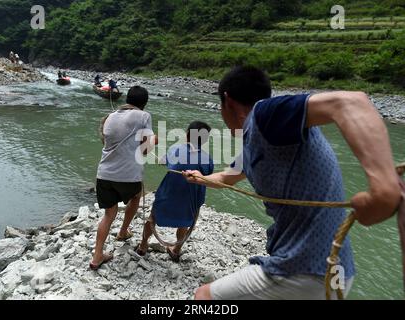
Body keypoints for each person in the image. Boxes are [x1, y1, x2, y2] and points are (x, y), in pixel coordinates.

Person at [183, 66, 401, 300]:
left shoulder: (264, 115)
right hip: (336, 272)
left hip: (303, 268)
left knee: (204, 296)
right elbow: (227, 177)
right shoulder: (256, 141)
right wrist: (200, 177)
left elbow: (351, 103)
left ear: (227, 100)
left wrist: (384, 188)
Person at [90, 86, 157, 270]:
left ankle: (97, 256)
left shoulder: (110, 116)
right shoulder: (144, 116)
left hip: (104, 174)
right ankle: (122, 231)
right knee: (135, 198)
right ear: (144, 103)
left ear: (127, 99)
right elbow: (147, 148)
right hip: (128, 175)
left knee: (108, 214)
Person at [135, 121, 214, 262]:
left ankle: (143, 245)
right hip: (191, 199)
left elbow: (166, 161)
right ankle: (176, 249)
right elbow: (208, 174)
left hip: (168, 195)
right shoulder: (208, 159)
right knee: (184, 223)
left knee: (152, 218)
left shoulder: (176, 150)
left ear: (188, 135)